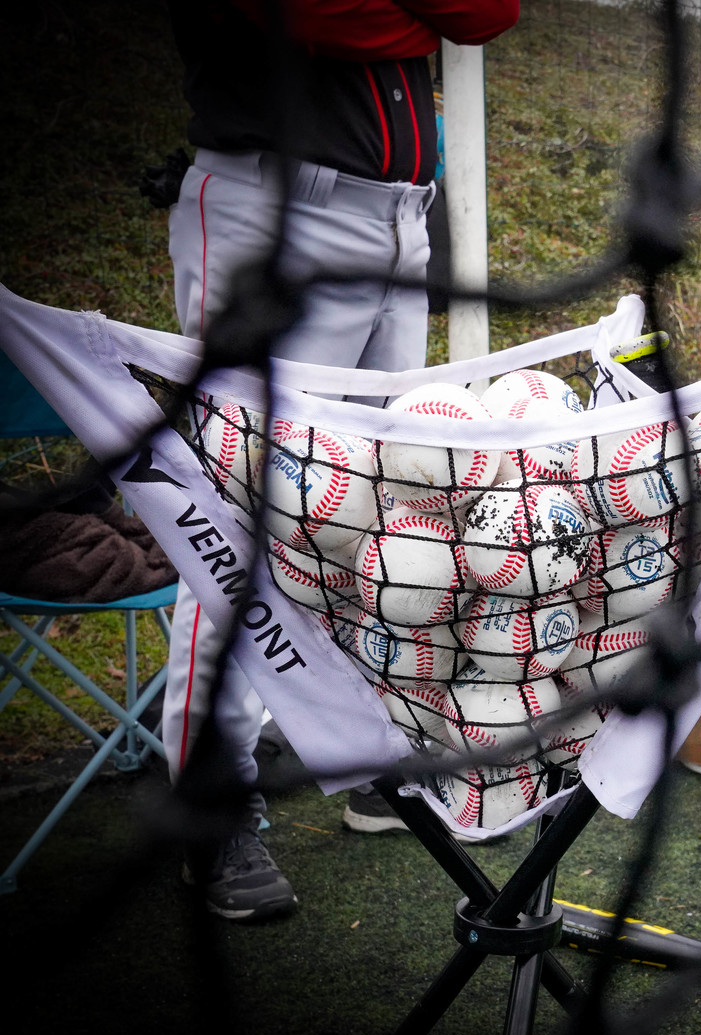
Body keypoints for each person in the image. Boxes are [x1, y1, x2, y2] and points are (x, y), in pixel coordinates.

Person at [163, 0, 518, 921]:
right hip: (273, 214)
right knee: (237, 513)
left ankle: (371, 760)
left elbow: (486, 13)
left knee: (378, 514)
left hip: (401, 220)